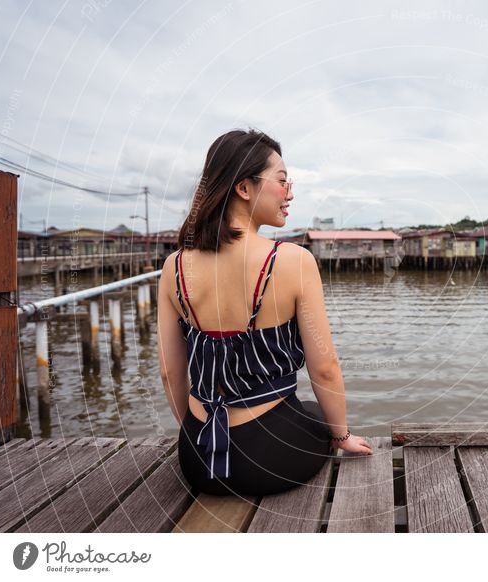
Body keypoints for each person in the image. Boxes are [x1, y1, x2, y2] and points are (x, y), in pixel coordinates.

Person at [157, 128, 373, 497]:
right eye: (283, 181)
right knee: (313, 414)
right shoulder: (292, 261)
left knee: (300, 409)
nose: (290, 193)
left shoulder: (174, 267)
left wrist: (197, 438)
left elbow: (170, 372)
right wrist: (342, 435)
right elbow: (324, 367)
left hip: (196, 459)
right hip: (270, 459)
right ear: (244, 188)